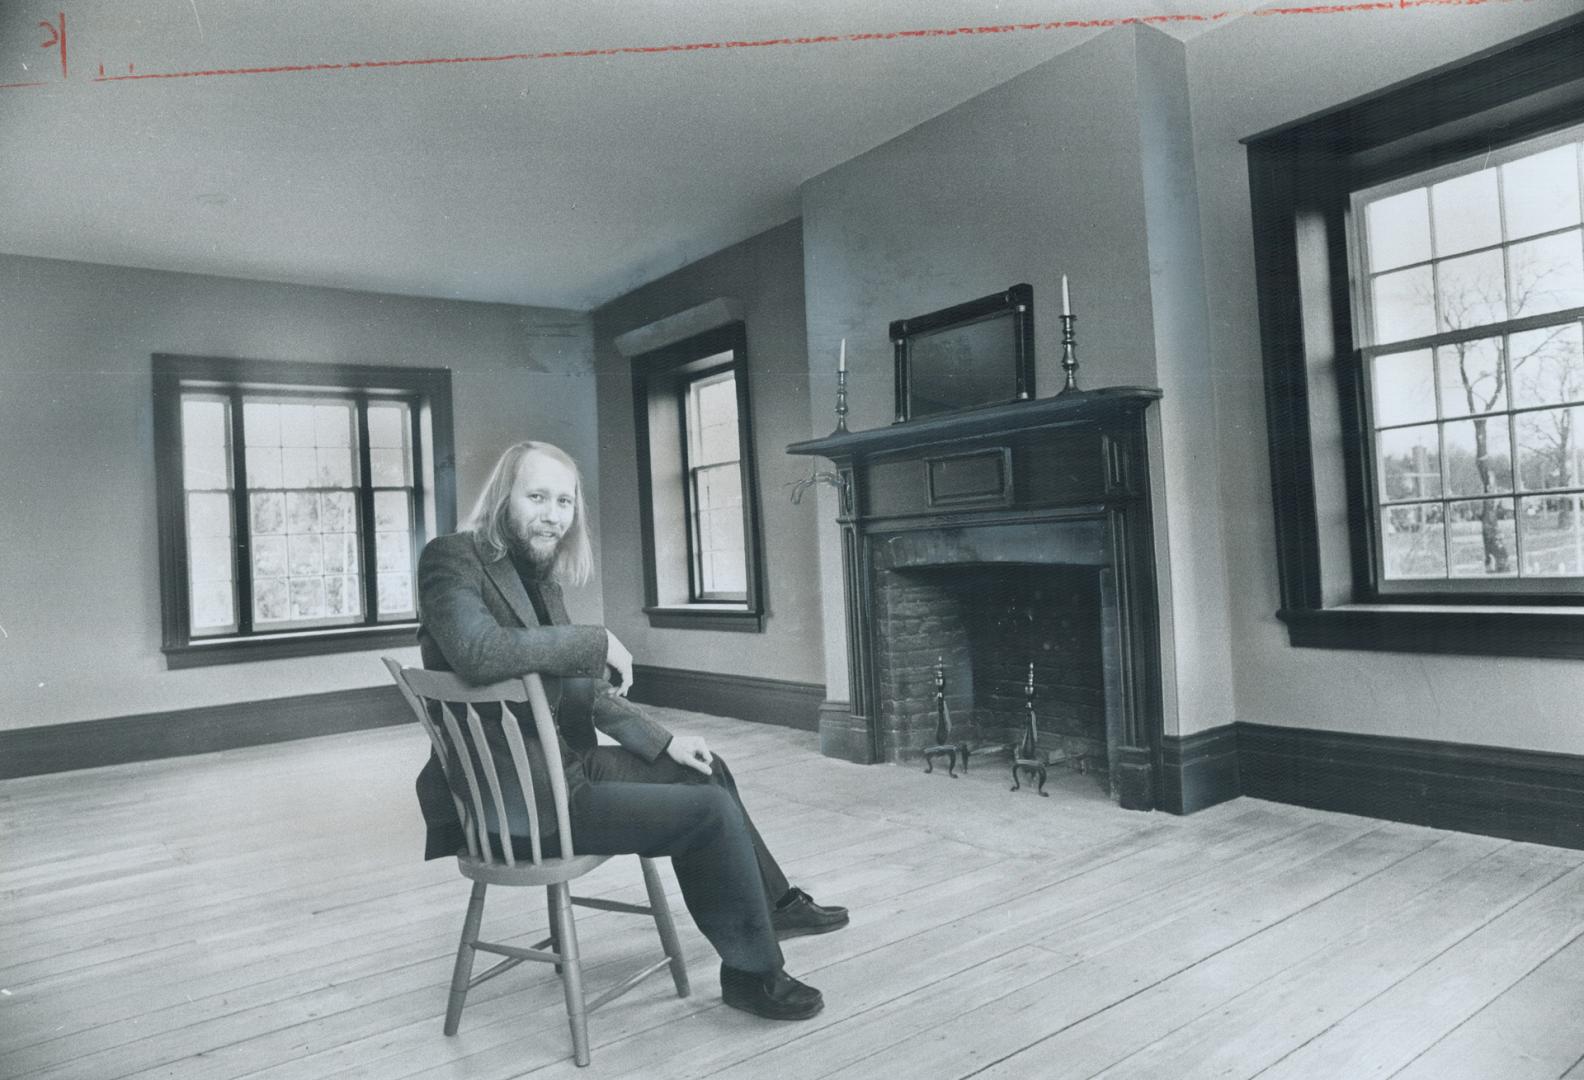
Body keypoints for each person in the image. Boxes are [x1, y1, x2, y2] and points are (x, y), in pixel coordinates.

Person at [414, 439, 847, 1020]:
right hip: (519, 803)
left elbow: (583, 692)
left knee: (705, 768)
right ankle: (753, 975)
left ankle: (774, 906)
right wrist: (598, 639)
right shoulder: (451, 558)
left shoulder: (539, 577)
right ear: (502, 498)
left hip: (561, 768)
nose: (552, 514)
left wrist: (666, 741)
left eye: (564, 501)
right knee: (709, 812)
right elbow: (477, 650)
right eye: (536, 496)